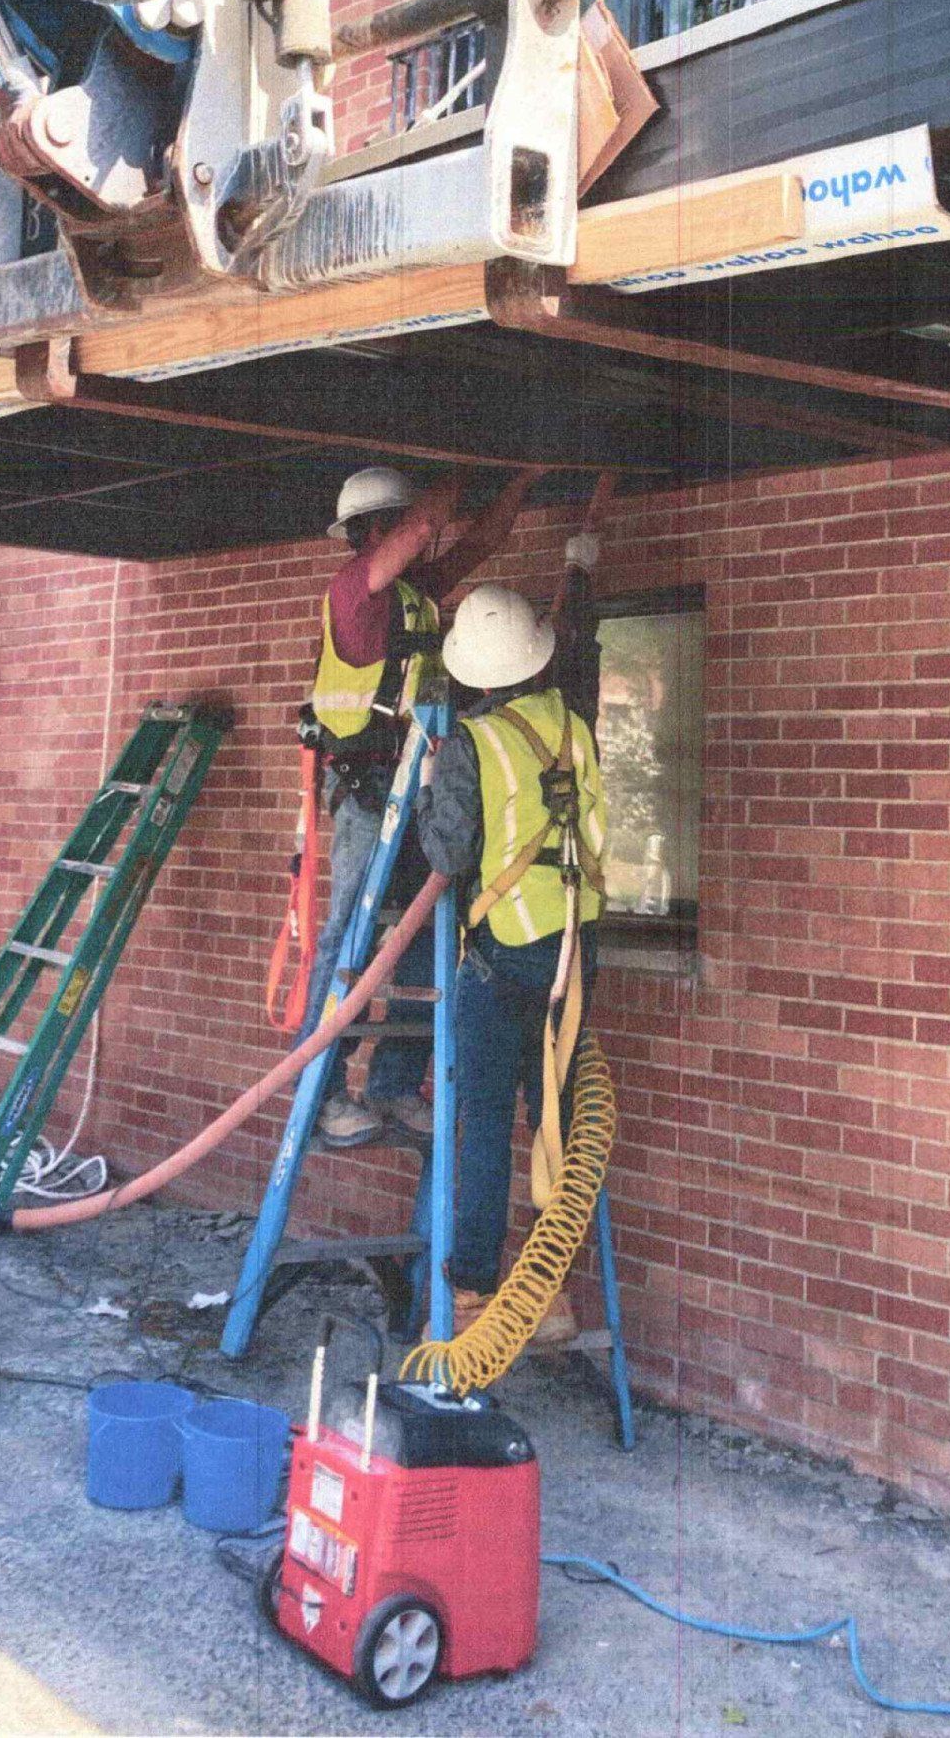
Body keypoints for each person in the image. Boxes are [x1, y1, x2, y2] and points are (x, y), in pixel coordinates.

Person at [303, 461, 543, 1146]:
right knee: (348, 938)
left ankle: (394, 1084)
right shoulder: (355, 592)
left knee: (423, 935)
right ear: (372, 530)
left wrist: (521, 481)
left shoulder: (412, 595)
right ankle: (319, 1093)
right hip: (365, 797)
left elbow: (479, 545)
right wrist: (460, 468)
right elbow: (422, 526)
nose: (426, 542)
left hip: (411, 791)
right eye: (402, 526)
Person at [415, 563, 606, 1347]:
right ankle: (552, 1296)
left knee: (485, 1122)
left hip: (502, 956)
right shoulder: (574, 722)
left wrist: (431, 782)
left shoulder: (471, 743)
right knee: (555, 1120)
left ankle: (472, 1297)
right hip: (575, 948)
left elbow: (448, 852)